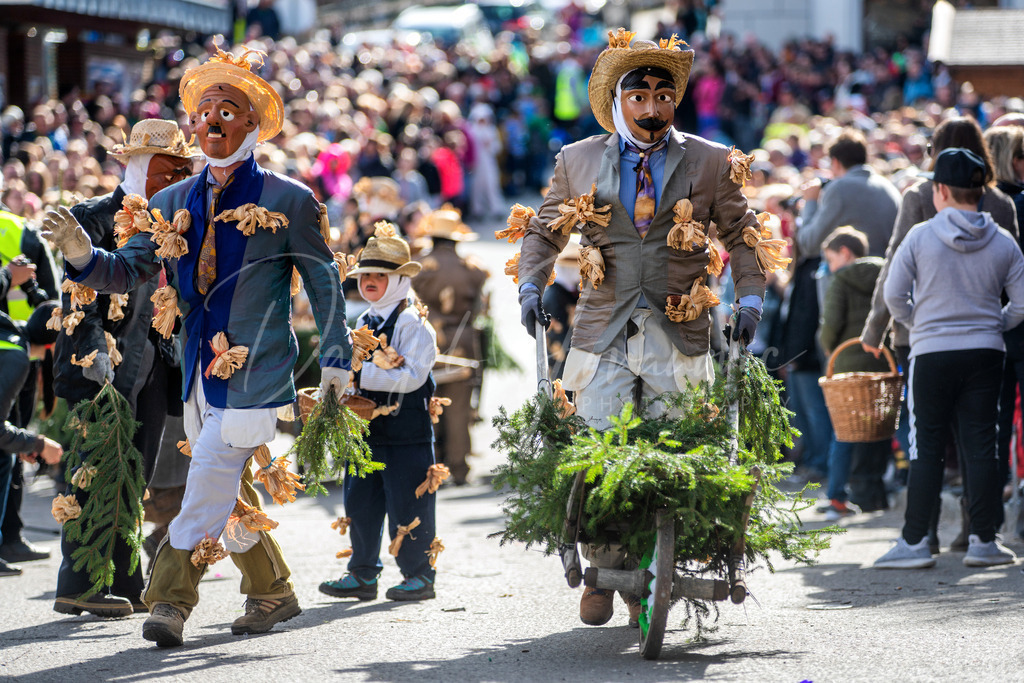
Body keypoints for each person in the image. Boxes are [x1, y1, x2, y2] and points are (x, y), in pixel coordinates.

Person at [42, 48, 352, 646]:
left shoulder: (291, 199)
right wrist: (83, 255)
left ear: (253, 126)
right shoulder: (169, 203)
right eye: (203, 109)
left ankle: (169, 600)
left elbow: (325, 287)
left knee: (208, 474)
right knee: (224, 481)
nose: (212, 119)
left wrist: (337, 360)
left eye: (228, 110)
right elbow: (126, 269)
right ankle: (273, 591)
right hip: (194, 371)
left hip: (257, 370)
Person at [517, 29, 767, 628]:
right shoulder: (576, 159)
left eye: (662, 95)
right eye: (639, 96)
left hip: (683, 331)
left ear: (674, 101)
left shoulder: (710, 160)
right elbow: (546, 228)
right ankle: (603, 572)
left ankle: (655, 573)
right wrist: (531, 285)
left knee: (675, 452)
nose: (651, 107)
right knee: (602, 449)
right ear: (618, 102)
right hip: (601, 329)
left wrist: (750, 300)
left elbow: (743, 234)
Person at [51, 118, 197, 619]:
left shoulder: (177, 221)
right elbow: (78, 295)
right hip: (101, 366)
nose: (173, 177)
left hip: (153, 365)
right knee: (92, 472)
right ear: (137, 165)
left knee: (136, 474)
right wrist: (93, 354)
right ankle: (80, 583)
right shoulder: (92, 216)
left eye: (181, 169)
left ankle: (126, 579)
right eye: (164, 169)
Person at [862, 116, 1019, 552]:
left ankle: (920, 536)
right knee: (983, 440)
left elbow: (893, 279)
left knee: (925, 440)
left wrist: (904, 323)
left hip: (927, 343)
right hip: (987, 343)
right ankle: (982, 535)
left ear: (941, 188)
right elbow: (1018, 293)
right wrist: (996, 321)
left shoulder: (919, 214)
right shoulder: (1001, 214)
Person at [318, 224, 439, 602]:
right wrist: (342, 392)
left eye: (379, 276)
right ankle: (363, 573)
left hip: (408, 433)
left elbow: (413, 377)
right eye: (364, 275)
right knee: (361, 503)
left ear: (399, 280)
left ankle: (419, 576)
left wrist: (359, 372)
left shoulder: (413, 322)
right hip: (367, 431)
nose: (368, 281)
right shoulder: (364, 322)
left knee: (410, 502)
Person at [817, 227, 890, 520]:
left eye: (831, 259)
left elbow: (830, 326)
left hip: (847, 365)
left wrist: (828, 348)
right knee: (881, 428)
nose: (831, 266)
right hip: (884, 362)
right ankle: (875, 494)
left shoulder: (841, 279)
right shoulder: (887, 273)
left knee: (845, 432)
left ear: (845, 253)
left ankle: (837, 496)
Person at [413, 206, 488, 485]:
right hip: (464, 339)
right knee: (458, 405)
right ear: (456, 240)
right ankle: (458, 467)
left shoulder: (419, 266)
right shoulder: (471, 268)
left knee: (427, 401)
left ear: (432, 238)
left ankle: (432, 465)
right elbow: (480, 308)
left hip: (426, 337)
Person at [0, 298, 62, 577]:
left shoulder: (8, 336)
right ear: (52, 347)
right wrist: (39, 444)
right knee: (3, 457)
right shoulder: (16, 357)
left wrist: (22, 442)